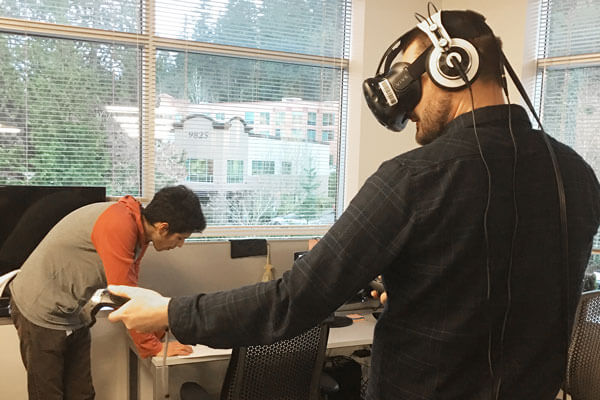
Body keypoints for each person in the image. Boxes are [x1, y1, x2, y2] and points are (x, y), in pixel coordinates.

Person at [108, 9, 600, 400]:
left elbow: (291, 301)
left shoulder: (414, 178)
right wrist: (412, 283)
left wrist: (172, 312)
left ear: (454, 66)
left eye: (411, 81)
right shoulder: (575, 173)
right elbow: (501, 283)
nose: (407, 112)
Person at [9, 184, 205, 400]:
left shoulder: (138, 228)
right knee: (48, 395)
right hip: (39, 309)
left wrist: (158, 333)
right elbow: (123, 295)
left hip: (73, 311)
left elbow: (130, 286)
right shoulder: (119, 226)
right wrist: (153, 347)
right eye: (180, 238)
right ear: (163, 227)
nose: (180, 245)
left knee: (82, 394)